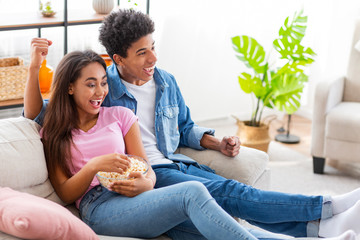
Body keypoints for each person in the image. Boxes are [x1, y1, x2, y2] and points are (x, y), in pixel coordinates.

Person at [24, 10, 360, 239]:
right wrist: (34, 67)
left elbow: (183, 129)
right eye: (141, 53)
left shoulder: (155, 88)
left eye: (153, 48)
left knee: (215, 217)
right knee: (216, 193)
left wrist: (214, 142)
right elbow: (38, 113)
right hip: (114, 196)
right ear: (119, 60)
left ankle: (319, 230)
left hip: (163, 169)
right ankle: (325, 210)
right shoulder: (91, 98)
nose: (153, 58)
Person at [24, 38, 269, 240]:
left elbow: (144, 166)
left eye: (103, 83)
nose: (100, 92)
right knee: (192, 191)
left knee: (222, 231)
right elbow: (65, 193)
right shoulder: (56, 130)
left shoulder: (120, 115)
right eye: (90, 85)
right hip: (99, 206)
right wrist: (94, 166)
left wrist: (147, 182)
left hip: (139, 197)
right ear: (69, 88)